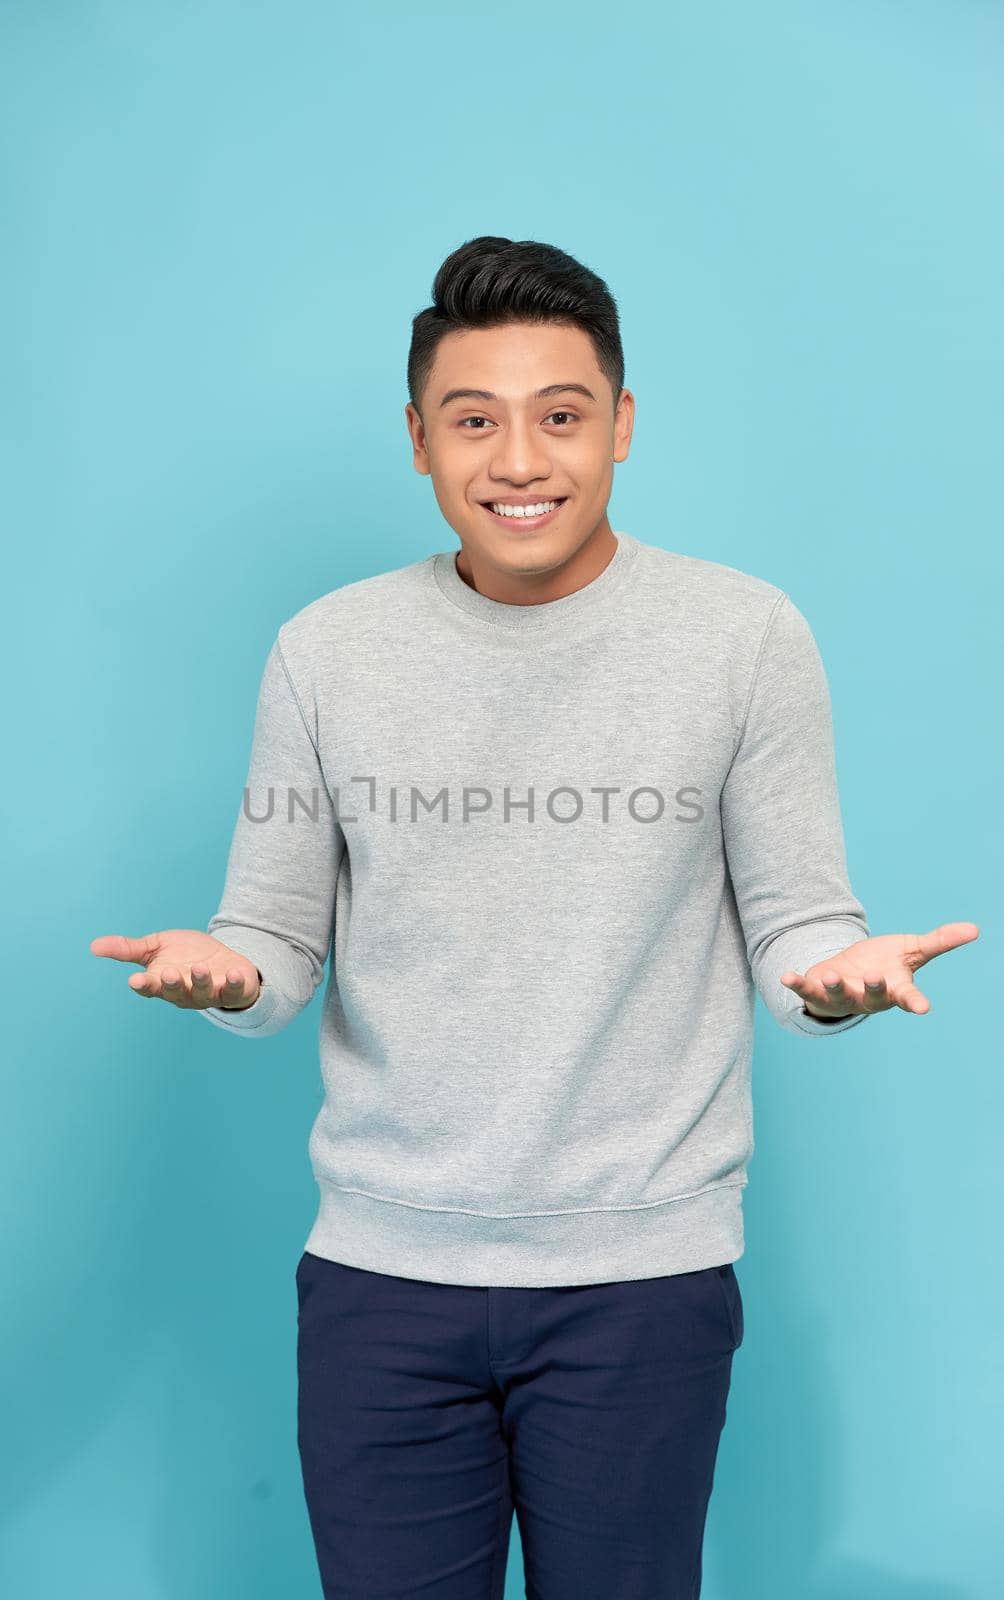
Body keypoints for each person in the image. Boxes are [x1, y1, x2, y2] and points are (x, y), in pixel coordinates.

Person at [91, 236, 978, 1599]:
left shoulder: (744, 638)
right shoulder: (327, 651)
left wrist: (832, 976)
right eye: (475, 421)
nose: (519, 461)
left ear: (620, 424)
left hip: (644, 1280)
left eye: (561, 416)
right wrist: (229, 972)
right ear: (417, 439)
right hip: (383, 1278)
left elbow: (802, 916)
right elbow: (270, 939)